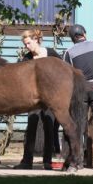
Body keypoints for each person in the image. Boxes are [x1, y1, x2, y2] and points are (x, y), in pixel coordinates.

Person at [62, 24, 93, 169]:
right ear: (84, 33)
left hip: (80, 89)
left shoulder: (68, 52)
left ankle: (78, 161)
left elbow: (66, 73)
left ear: (72, 38)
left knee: (79, 124)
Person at [13, 29, 61, 170]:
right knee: (32, 124)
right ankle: (27, 161)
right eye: (25, 44)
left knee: (49, 125)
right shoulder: (27, 59)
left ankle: (47, 162)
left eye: (28, 43)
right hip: (33, 99)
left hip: (50, 97)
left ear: (36, 39)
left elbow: (62, 72)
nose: (27, 46)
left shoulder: (51, 54)